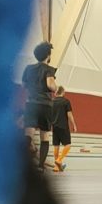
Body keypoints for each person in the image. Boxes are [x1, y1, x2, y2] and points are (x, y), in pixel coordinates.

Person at [20, 42, 57, 170]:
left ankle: (23, 164)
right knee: (44, 136)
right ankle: (41, 166)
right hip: (45, 105)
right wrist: (56, 88)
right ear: (48, 55)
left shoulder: (28, 68)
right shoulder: (49, 69)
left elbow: (24, 85)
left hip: (31, 103)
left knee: (28, 134)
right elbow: (50, 85)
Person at [51, 86, 77, 172]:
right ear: (63, 92)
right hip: (63, 126)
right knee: (68, 145)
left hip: (54, 126)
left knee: (56, 146)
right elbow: (69, 114)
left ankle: (56, 167)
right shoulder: (66, 101)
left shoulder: (52, 101)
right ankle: (59, 160)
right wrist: (74, 124)